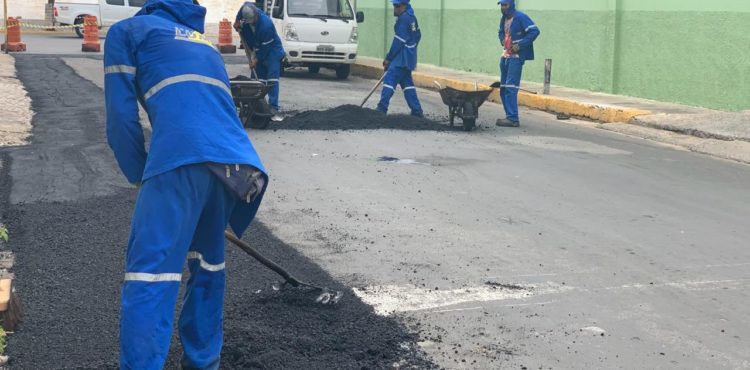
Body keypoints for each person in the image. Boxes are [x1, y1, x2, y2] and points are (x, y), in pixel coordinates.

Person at [103, 0, 268, 368]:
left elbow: (120, 120)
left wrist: (140, 174)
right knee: (208, 266)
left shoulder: (127, 32)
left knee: (151, 273)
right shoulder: (202, 41)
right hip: (237, 165)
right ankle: (203, 362)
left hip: (181, 155)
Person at [234, 2, 286, 115]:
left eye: (252, 19)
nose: (252, 22)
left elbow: (265, 48)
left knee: (272, 80)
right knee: (257, 81)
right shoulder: (247, 9)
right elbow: (243, 6)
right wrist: (237, 20)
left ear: (256, 14)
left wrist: (255, 59)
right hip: (258, 48)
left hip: (272, 50)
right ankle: (255, 105)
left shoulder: (266, 25)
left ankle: (273, 107)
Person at [496, 0, 540, 127]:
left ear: (512, 5)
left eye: (505, 5)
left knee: (511, 87)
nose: (503, 8)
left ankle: (513, 118)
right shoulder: (503, 18)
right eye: (502, 5)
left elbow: (535, 31)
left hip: (516, 57)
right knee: (503, 88)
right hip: (505, 56)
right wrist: (502, 40)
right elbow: (500, 32)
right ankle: (509, 116)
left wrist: (520, 45)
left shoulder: (521, 17)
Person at [376, 0, 423, 117]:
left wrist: (388, 58)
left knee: (389, 79)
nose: (394, 8)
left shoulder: (404, 19)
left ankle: (381, 109)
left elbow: (398, 41)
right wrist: (411, 48)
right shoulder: (412, 17)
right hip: (408, 58)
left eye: (396, 6)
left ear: (403, 6)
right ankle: (417, 111)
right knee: (407, 83)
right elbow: (418, 35)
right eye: (394, 5)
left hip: (401, 58)